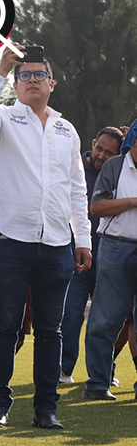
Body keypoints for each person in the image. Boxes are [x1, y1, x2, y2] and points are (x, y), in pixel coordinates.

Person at [0, 47, 90, 430]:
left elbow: (76, 189)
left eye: (40, 75)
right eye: (25, 75)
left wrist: (82, 237)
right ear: (17, 84)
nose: (33, 79)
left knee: (50, 330)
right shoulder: (3, 118)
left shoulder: (65, 129)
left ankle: (46, 408)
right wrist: (1, 71)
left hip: (57, 243)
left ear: (51, 84)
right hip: (10, 240)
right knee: (6, 324)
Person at [60, 127, 123, 383]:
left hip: (108, 255)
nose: (101, 155)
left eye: (109, 153)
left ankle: (103, 372)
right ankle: (63, 369)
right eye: (100, 148)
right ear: (93, 143)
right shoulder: (73, 168)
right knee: (71, 313)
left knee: (105, 319)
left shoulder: (120, 173)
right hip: (76, 254)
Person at [80, 131, 137, 401]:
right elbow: (97, 207)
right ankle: (97, 383)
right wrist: (134, 202)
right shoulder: (115, 166)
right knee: (105, 319)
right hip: (115, 246)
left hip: (120, 248)